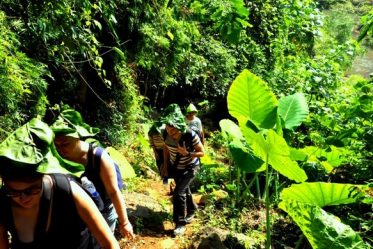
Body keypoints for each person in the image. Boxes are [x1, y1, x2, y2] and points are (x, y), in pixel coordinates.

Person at [0, 118, 119, 249]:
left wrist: (124, 223)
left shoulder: (67, 191)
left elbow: (110, 244)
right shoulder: (3, 202)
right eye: (14, 192)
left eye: (31, 190)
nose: (23, 198)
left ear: (42, 176)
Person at [51, 108, 134, 240]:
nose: (61, 149)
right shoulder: (57, 157)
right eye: (57, 145)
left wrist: (124, 222)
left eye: (65, 144)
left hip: (103, 212)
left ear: (77, 137)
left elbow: (113, 192)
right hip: (76, 215)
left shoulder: (99, 157)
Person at [160, 104, 204, 236]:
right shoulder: (165, 134)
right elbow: (166, 149)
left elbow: (202, 153)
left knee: (179, 192)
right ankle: (193, 210)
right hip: (177, 166)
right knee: (185, 190)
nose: (171, 133)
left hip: (191, 166)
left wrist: (187, 153)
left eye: (173, 131)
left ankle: (180, 223)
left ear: (180, 128)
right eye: (168, 130)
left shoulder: (190, 134)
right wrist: (165, 167)